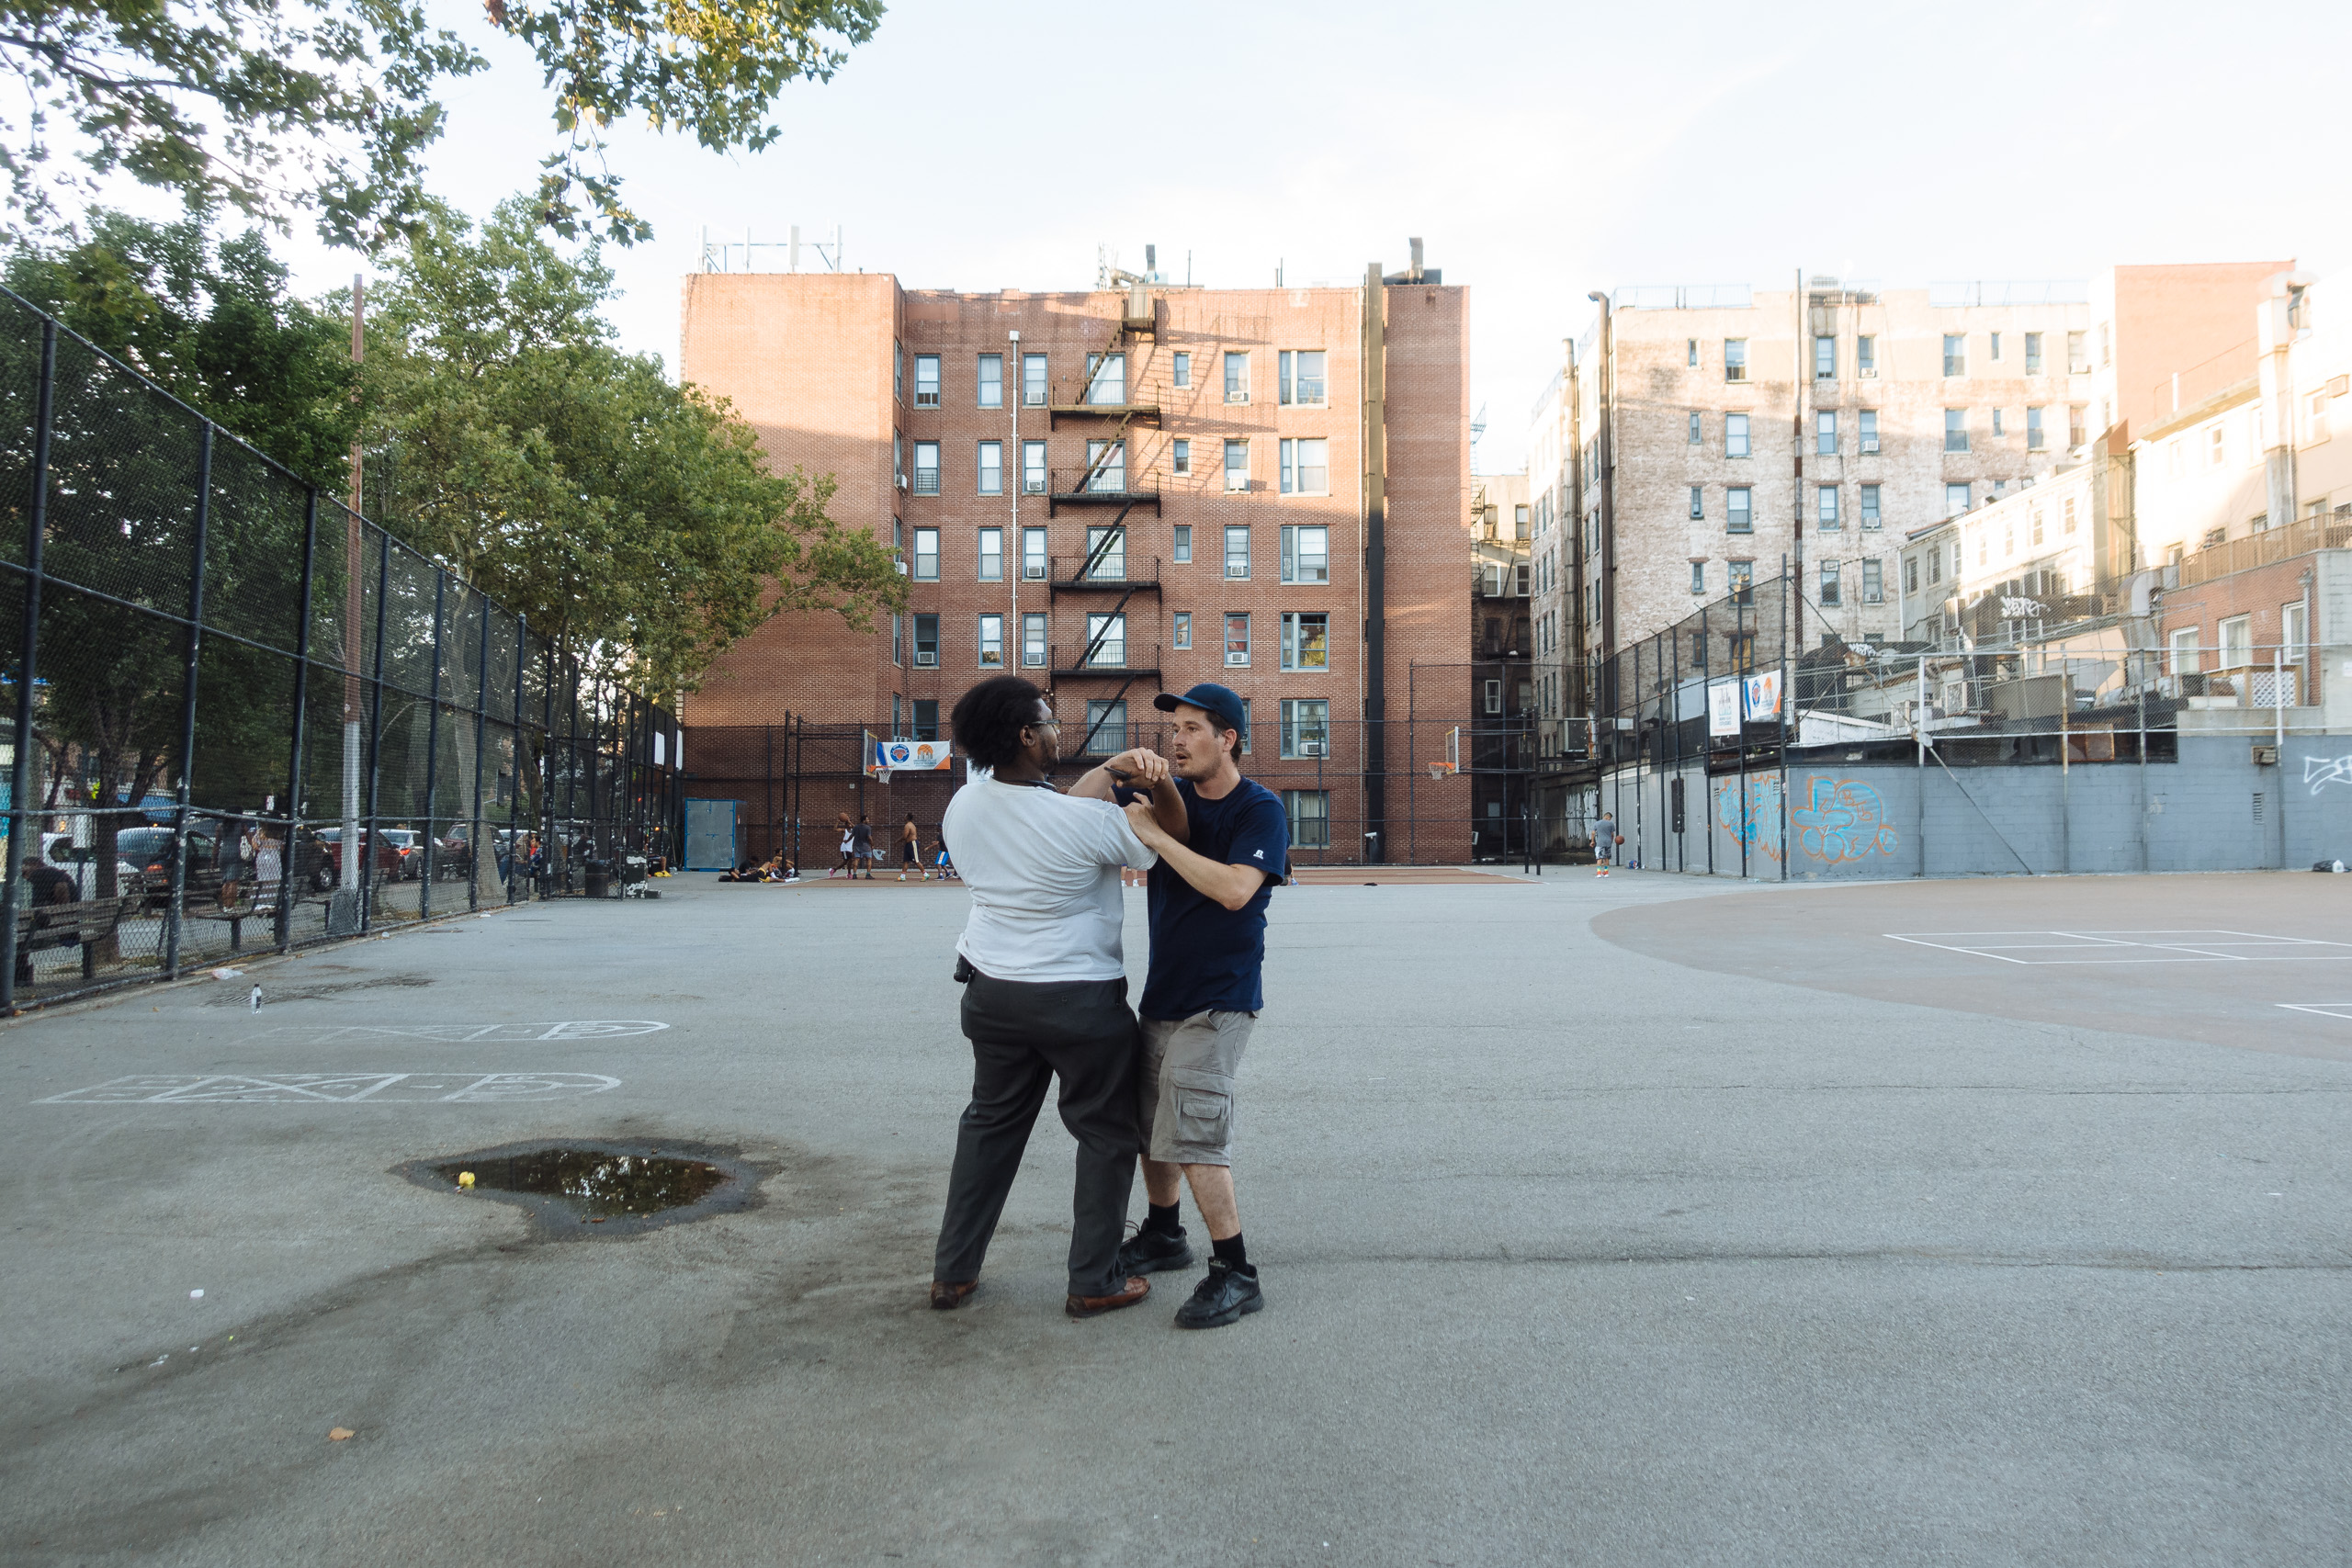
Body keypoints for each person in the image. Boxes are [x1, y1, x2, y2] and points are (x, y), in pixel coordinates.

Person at [930, 675, 1162, 1319]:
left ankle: (954, 1271)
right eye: (1050, 720)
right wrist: (1150, 784)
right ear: (1027, 735)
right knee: (1106, 1133)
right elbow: (1152, 842)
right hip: (1077, 999)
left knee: (990, 1127)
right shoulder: (1082, 822)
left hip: (991, 994)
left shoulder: (962, 808)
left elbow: (1041, 811)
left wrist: (1108, 771)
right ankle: (1094, 1278)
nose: (1060, 730)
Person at [1080, 682, 1288, 1331]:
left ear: (1227, 738)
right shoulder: (1162, 794)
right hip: (1163, 993)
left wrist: (1156, 838)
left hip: (1220, 999)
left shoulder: (1261, 809)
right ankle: (1166, 1233)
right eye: (1174, 728)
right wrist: (1116, 767)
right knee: (1151, 1126)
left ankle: (1236, 1271)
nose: (1178, 737)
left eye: (1193, 727)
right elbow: (1069, 807)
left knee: (1194, 1129)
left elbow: (1232, 889)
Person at [898, 814, 923, 882]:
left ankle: (925, 874)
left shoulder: (908, 825)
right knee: (906, 860)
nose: (904, 817)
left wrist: (897, 842)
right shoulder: (911, 825)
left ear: (907, 817)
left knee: (916, 860)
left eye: (905, 816)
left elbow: (905, 836)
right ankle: (903, 876)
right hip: (908, 844)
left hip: (912, 843)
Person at [1592, 810, 1618, 878]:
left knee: (1599, 858)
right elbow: (1612, 834)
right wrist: (1611, 841)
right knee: (1606, 858)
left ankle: (1598, 873)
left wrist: (1592, 841)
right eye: (1610, 818)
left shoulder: (1597, 823)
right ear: (1608, 817)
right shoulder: (1611, 824)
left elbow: (1593, 833)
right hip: (1608, 842)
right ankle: (1606, 873)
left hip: (1600, 842)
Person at [851, 814, 876, 879]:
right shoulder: (868, 828)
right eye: (867, 819)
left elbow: (852, 835)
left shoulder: (856, 827)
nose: (868, 820)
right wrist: (872, 844)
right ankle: (868, 874)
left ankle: (854, 874)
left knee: (856, 859)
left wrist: (847, 840)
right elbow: (869, 837)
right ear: (864, 820)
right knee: (869, 859)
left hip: (857, 845)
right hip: (865, 846)